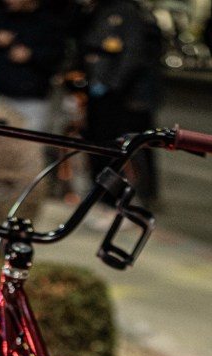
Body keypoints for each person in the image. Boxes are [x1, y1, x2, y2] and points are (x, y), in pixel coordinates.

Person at [76, 0, 163, 207]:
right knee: (107, 144)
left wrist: (109, 85)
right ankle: (109, 195)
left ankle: (125, 198)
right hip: (110, 92)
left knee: (126, 147)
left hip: (122, 97)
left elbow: (132, 54)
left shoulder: (125, 12)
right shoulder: (101, 9)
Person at [0, 0, 66, 132]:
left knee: (29, 142)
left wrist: (31, 55)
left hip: (32, 102)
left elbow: (58, 55)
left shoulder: (49, 23)